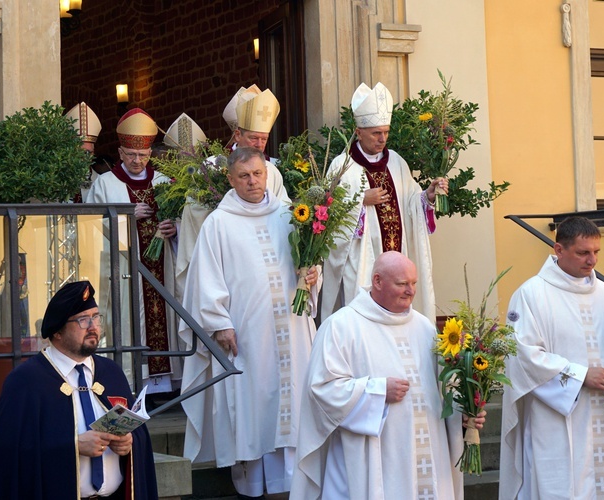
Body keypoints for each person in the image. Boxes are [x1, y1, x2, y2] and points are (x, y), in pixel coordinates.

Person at [179, 146, 319, 498]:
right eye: (244, 176)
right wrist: (219, 323)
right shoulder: (219, 224)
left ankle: (296, 482)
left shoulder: (290, 215)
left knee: (295, 399)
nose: (252, 181)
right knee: (256, 402)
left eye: (257, 174)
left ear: (267, 173)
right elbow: (206, 281)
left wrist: (311, 277)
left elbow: (303, 265)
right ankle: (256, 485)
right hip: (247, 335)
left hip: (292, 326)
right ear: (231, 179)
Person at [292, 251, 483, 500]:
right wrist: (377, 391)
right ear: (378, 281)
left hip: (428, 453)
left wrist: (463, 414)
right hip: (374, 459)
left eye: (414, 283)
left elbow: (440, 391)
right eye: (402, 284)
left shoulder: (424, 327)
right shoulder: (341, 326)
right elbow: (322, 390)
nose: (411, 291)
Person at [499, 216, 604, 499]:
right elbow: (521, 355)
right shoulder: (531, 294)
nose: (592, 261)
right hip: (557, 419)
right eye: (583, 253)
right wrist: (580, 375)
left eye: (596, 252)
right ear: (558, 249)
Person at [0, 281, 158, 499]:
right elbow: (11, 456)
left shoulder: (111, 372)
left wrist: (130, 442)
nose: (93, 327)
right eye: (82, 320)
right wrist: (73, 446)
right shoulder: (25, 382)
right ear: (57, 331)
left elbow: (136, 431)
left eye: (96, 317)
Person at [321, 82, 448, 324]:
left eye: (386, 132)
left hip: (397, 253)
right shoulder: (341, 166)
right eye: (375, 133)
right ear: (358, 132)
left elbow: (411, 203)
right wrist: (360, 200)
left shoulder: (397, 163)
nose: (382, 139)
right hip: (362, 261)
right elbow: (327, 216)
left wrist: (428, 196)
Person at [87, 107, 179, 394]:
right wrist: (126, 218)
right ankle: (135, 386)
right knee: (130, 321)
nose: (137, 161)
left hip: (162, 267)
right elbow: (92, 228)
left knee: (163, 318)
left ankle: (164, 386)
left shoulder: (164, 182)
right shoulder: (106, 184)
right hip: (128, 271)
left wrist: (174, 229)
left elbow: (182, 219)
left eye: (143, 155)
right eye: (131, 154)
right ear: (120, 151)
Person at [222, 84, 287, 200]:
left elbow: (284, 207)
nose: (259, 145)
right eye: (253, 138)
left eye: (264, 139)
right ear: (237, 135)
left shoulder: (273, 170)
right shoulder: (214, 166)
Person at [65, 101, 103, 202]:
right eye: (80, 152)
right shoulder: (56, 179)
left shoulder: (101, 182)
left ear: (93, 153)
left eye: (88, 152)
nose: (84, 157)